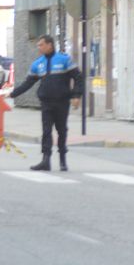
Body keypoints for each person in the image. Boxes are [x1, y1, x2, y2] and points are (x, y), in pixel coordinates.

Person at [9, 35, 83, 171]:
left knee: (62, 131)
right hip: (46, 102)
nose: (39, 47)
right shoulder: (38, 63)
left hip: (62, 101)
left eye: (41, 45)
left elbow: (78, 77)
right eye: (38, 45)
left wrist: (76, 95)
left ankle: (62, 160)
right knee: (46, 131)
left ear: (50, 45)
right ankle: (45, 160)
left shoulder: (64, 59)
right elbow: (28, 83)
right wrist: (12, 94)